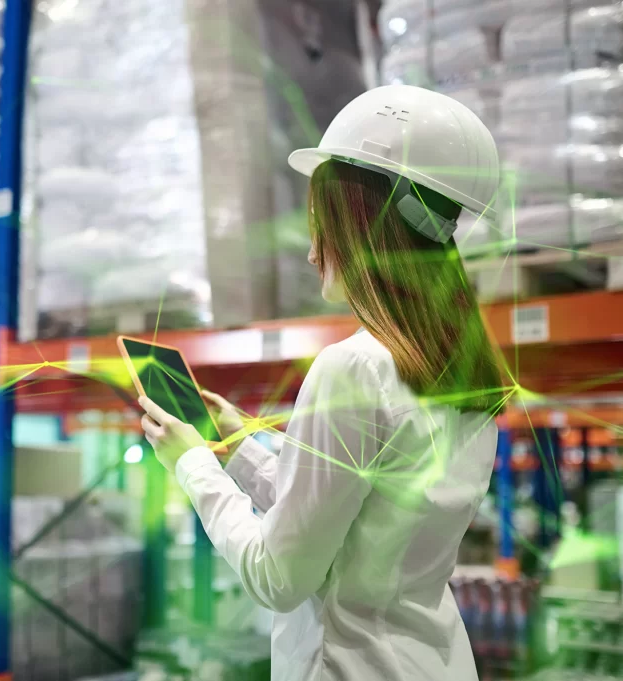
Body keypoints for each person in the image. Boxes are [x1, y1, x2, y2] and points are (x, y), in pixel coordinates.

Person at [138, 84, 507, 681]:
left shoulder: (354, 368)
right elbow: (349, 509)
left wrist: (190, 465)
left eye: (323, 222)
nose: (313, 252)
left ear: (365, 228)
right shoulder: (461, 374)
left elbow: (278, 578)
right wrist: (235, 448)